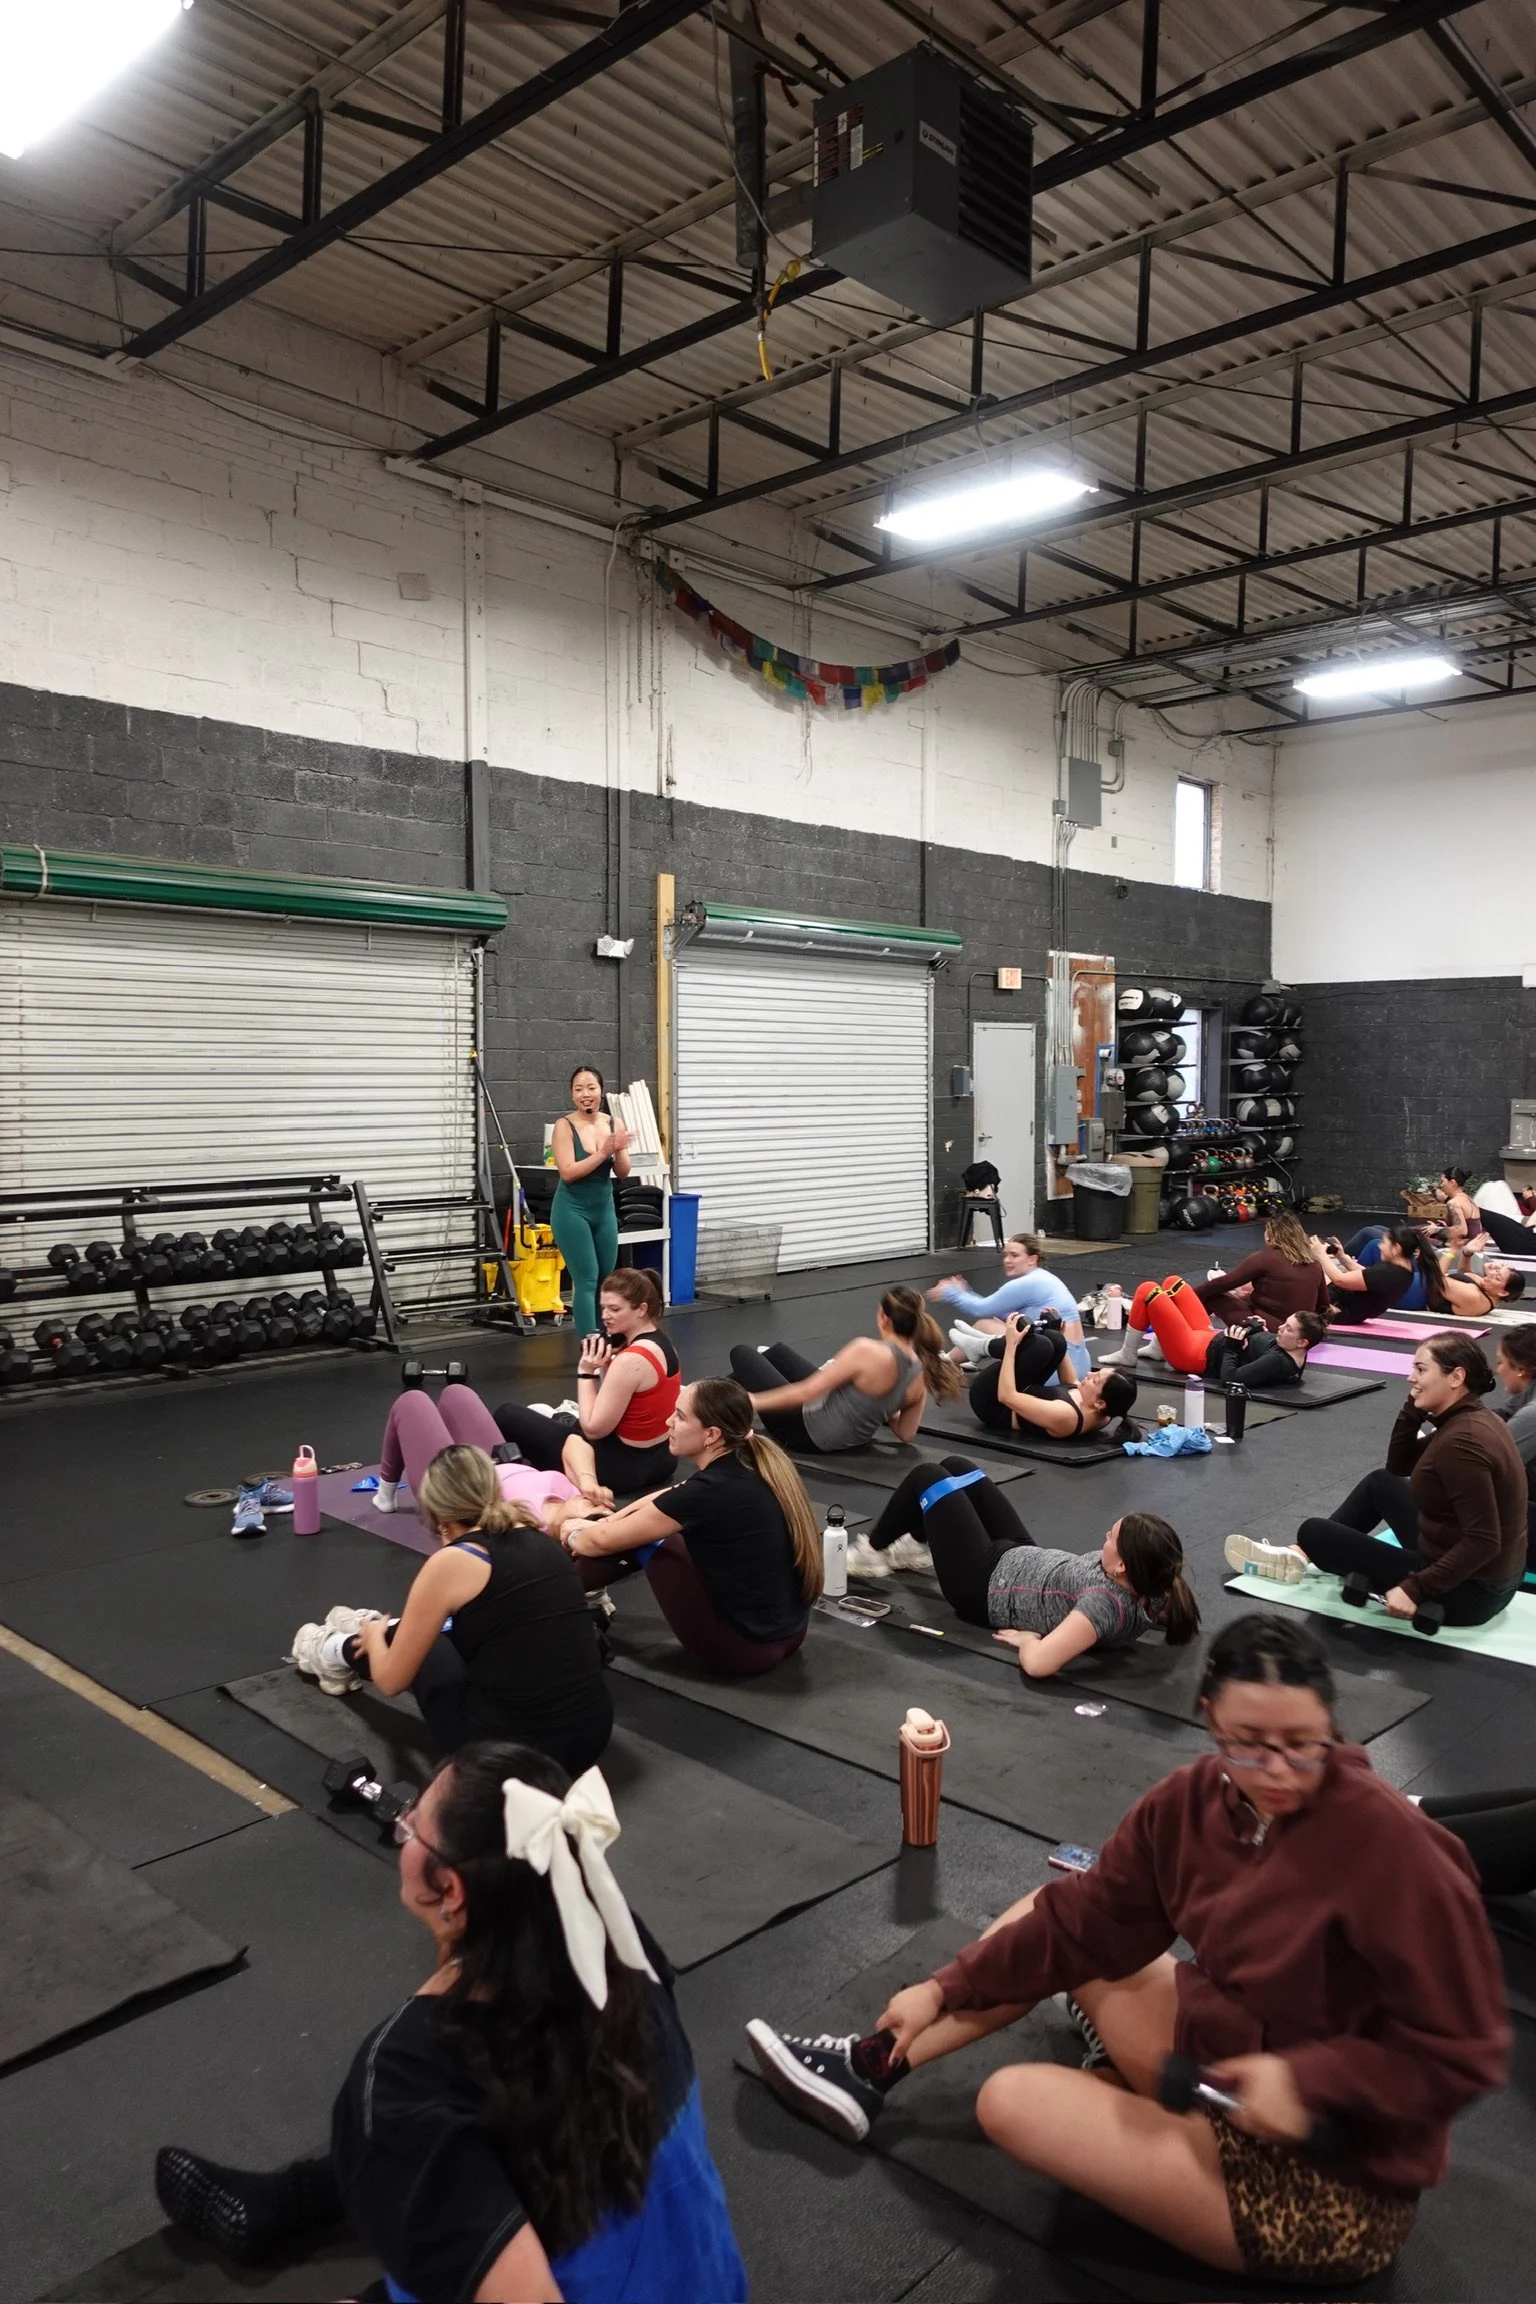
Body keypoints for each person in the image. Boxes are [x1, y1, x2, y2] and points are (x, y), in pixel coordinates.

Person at [745, 1613, 1508, 2290]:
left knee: (1011, 2101)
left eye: (1303, 1746)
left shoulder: (1397, 1851)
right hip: (1226, 2067)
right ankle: (872, 2065)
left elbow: (1462, 2051)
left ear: (1333, 1727)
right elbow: (1080, 1922)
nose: (1277, 1772)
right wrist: (942, 1989)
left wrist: (1308, 2084)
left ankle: (1120, 2090)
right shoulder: (1188, 1802)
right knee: (1049, 1910)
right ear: (1211, 1721)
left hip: (1332, 2181)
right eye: (1249, 1745)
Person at [155, 1743, 747, 2300]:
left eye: (412, 1825)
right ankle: (288, 2202)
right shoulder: (618, 1943)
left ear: (452, 1889)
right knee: (430, 2134)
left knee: (403, 2129)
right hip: (705, 2280)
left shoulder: (406, 2072)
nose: (401, 1825)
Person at [292, 1443, 613, 1769]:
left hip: (511, 1758)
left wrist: (374, 1638)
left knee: (425, 1645)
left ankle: (331, 1651)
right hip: (591, 1738)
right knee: (463, 1631)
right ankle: (380, 1634)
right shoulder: (542, 1540)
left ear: (440, 1519)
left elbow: (391, 1681)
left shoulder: (452, 1562)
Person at [1227, 1331, 1528, 1626]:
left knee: (1315, 1532)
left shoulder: (1463, 1442)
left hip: (1471, 1591)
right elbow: (1399, 1466)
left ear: (1456, 1377)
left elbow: (1484, 1540)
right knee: (1380, 1483)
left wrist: (1415, 1587)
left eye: (1421, 1370)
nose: (1411, 1378)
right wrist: (1413, 1409)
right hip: (1481, 1572)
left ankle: (1303, 1549)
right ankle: (1296, 1556)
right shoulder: (1469, 1418)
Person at [563, 1378, 821, 1676]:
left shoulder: (708, 1491)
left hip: (742, 1650)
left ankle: (549, 1596)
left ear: (711, 1435)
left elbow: (600, 1542)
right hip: (790, 1634)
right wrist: (605, 1520)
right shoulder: (749, 1462)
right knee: (644, 1526)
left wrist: (574, 1532)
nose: (668, 1421)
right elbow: (668, 1497)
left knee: (650, 1540)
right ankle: (576, 1590)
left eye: (680, 1416)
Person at [847, 1461, 1198, 1677]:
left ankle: (872, 1553)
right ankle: (920, 1544)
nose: (1104, 1537)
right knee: (957, 1468)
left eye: (1111, 1537)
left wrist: (1029, 1640)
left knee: (927, 1476)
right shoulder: (1154, 1586)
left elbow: (1039, 1664)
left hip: (981, 1584)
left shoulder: (1104, 1603)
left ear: (1122, 1565)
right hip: (1020, 1555)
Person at [497, 1269, 680, 1497]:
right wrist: (605, 1363)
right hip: (662, 1462)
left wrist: (585, 1371)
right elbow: (619, 1404)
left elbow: (593, 1429)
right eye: (603, 1308)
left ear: (642, 1309)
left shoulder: (631, 1360)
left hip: (619, 1471)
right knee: (562, 1423)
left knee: (508, 1414)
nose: (605, 1316)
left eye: (615, 1309)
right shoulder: (663, 1343)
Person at [730, 1284, 962, 1453]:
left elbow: (807, 1393)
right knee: (776, 1354)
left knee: (742, 1354)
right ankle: (711, 1395)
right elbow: (906, 1434)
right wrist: (886, 1406)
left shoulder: (867, 1350)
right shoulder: (922, 1368)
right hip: (851, 1438)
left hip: (803, 1433)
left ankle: (712, 1401)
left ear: (883, 1317)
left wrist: (751, 1401)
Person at [370, 1373, 614, 1527]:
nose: (601, 1505)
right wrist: (587, 1480)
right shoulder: (575, 1495)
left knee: (412, 1401)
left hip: (455, 1486)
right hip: (498, 1460)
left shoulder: (530, 1528)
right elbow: (575, 1442)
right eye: (605, 1509)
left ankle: (385, 1495)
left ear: (572, 1530)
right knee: (457, 1393)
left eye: (594, 1511)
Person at [1101, 1275, 1323, 1388]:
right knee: (1174, 1283)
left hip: (1193, 1354)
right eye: (1284, 1324)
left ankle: (1128, 1354)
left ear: (1302, 1342)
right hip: (1207, 1336)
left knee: (1147, 1290)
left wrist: (1232, 1347)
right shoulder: (1291, 1350)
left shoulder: (1278, 1362)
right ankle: (1160, 1347)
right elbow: (1260, 1350)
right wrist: (1256, 1328)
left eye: (1288, 1329)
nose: (1281, 1329)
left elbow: (1230, 1380)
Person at [927, 1234, 1090, 1379]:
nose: (1007, 1260)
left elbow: (980, 1308)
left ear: (1032, 1259)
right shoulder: (1045, 1278)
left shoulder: (1027, 1283)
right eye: (1005, 1255)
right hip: (1079, 1366)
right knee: (999, 1320)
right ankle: (952, 1360)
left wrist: (951, 1292)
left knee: (985, 1323)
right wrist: (963, 1292)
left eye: (1014, 1255)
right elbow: (1007, 1313)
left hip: (1055, 1372)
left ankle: (946, 1363)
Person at [551, 1064, 632, 1338]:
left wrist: (618, 1151)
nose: (586, 1094)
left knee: (604, 1280)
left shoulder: (614, 1123)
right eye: (579, 1089)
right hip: (572, 1210)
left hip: (603, 1209)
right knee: (586, 1279)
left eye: (591, 1087)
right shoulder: (564, 1126)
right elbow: (568, 1173)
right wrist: (603, 1153)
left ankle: (604, 1337)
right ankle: (590, 1346)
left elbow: (623, 1172)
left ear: (601, 1091)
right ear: (572, 1095)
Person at [969, 1315, 1140, 1442]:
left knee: (1039, 1347)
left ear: (1100, 1403)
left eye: (1094, 1380)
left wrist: (1011, 1347)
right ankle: (982, 1344)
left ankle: (982, 1346)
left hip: (991, 1402)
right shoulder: (1104, 1411)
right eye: (1096, 1373)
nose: (1088, 1375)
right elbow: (1069, 1385)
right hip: (1019, 1392)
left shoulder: (1065, 1416)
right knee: (1055, 1340)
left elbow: (1007, 1396)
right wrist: (1060, 1338)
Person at [1194, 1212, 1329, 1331]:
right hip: (1300, 1331)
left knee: (1212, 1295)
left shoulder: (1265, 1259)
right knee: (1245, 1297)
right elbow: (1323, 1305)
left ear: (1269, 1236)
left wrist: (1188, 1294)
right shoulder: (1315, 1263)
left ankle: (1189, 1329)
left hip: (1270, 1329)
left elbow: (1222, 1283)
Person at [1310, 1224, 1442, 1324]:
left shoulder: (1389, 1274)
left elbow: (1339, 1280)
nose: (1380, 1246)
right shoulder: (1404, 1270)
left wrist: (1321, 1255)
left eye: (1384, 1243)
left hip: (1339, 1310)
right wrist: (1343, 1257)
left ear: (1396, 1249)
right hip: (1346, 1307)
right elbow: (1367, 1275)